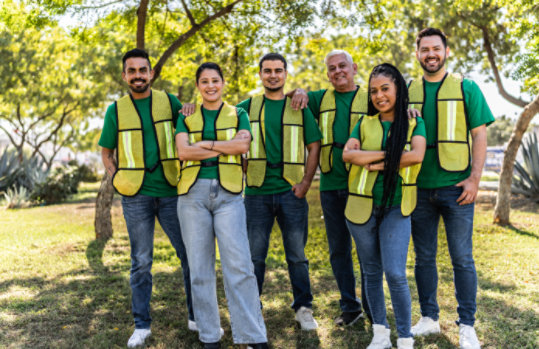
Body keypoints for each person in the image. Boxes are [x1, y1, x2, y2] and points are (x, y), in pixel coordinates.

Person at [99, 48, 194, 348]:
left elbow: (191, 126)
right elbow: (106, 152)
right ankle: (142, 325)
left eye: (143, 70)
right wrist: (116, 177)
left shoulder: (170, 101)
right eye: (132, 70)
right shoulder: (116, 110)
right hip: (135, 195)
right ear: (125, 75)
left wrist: (191, 108)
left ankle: (197, 316)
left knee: (189, 254)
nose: (138, 75)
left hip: (171, 190)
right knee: (141, 262)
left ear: (151, 73)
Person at [407, 28, 494, 349]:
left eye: (436, 49)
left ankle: (467, 324)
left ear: (446, 52)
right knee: (423, 258)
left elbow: (480, 135)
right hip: (416, 189)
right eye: (424, 49)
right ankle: (429, 318)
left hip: (457, 188)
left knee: (462, 259)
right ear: (417, 53)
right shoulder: (406, 89)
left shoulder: (466, 87)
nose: (430, 54)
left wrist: (474, 179)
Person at [175, 62, 268, 349]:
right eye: (204, 81)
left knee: (240, 266)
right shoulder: (186, 117)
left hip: (229, 195)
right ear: (198, 86)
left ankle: (252, 336)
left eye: (215, 80)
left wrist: (204, 144)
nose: (210, 86)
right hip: (192, 196)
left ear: (223, 83)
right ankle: (209, 336)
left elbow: (242, 147)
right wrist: (222, 145)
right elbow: (182, 151)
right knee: (200, 268)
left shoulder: (238, 113)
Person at [343, 63, 426, 349]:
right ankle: (380, 333)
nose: (379, 96)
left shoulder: (414, 122)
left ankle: (404, 336)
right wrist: (389, 155)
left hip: (396, 208)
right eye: (374, 91)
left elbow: (416, 155)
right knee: (370, 272)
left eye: (385, 89)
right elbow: (348, 154)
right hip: (362, 207)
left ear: (398, 89)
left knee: (394, 273)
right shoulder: (364, 123)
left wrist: (373, 159)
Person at [238, 53, 322, 330]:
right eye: (267, 71)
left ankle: (303, 307)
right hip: (257, 193)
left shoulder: (299, 106)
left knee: (297, 255)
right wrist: (244, 170)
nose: (272, 75)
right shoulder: (244, 108)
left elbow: (314, 146)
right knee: (254, 256)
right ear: (260, 74)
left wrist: (307, 182)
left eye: (278, 70)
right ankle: (252, 307)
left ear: (286, 74)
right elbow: (227, 136)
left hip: (291, 191)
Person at [294, 49, 370, 326]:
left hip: (362, 185)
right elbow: (291, 95)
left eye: (342, 66)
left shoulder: (371, 96)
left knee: (367, 249)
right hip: (330, 185)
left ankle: (373, 307)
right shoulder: (320, 99)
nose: (338, 71)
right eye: (332, 68)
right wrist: (299, 89)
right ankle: (351, 307)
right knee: (339, 250)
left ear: (354, 68)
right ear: (327, 74)